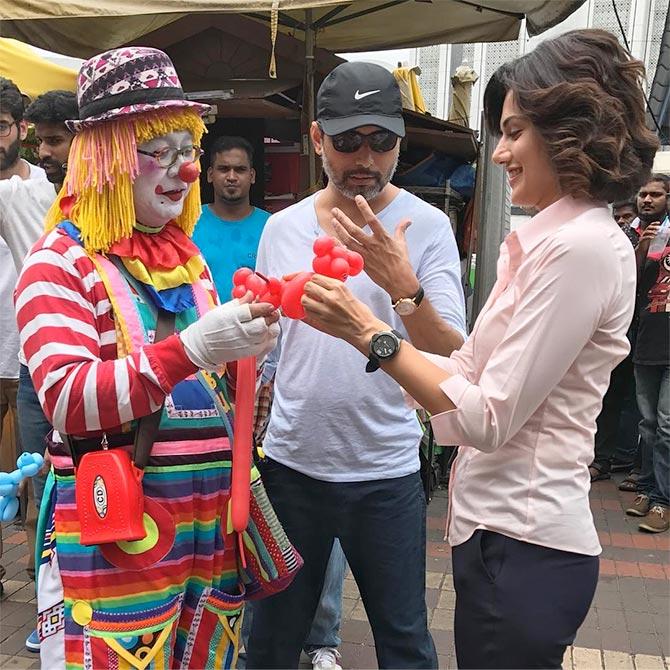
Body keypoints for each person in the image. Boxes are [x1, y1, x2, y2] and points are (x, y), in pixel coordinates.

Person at [299, 30, 658, 669]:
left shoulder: (579, 250)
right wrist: (399, 302)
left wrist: (369, 333)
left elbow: (487, 416)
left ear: (569, 133)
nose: (499, 154)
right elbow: (466, 366)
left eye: (515, 132)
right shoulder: (550, 244)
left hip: (524, 541)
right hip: (497, 535)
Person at [14, 46, 294, 669]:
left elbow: (212, 385)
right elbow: (66, 398)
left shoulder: (188, 259)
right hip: (116, 533)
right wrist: (191, 348)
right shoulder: (57, 264)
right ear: (106, 157)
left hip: (209, 534)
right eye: (158, 151)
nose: (185, 170)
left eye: (187, 150)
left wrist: (245, 356)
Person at [247, 61, 467, 670]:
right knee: (269, 643)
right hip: (292, 467)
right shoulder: (281, 228)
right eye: (346, 141)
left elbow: (451, 355)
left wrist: (401, 284)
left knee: (405, 645)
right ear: (318, 138)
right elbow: (270, 350)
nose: (363, 157)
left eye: (381, 141)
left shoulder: (427, 226)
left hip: (386, 473)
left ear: (400, 141)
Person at [0, 88, 78, 651]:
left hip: (85, 364)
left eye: (57, 140)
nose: (47, 151)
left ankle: (85, 598)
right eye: (41, 140)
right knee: (40, 485)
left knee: (87, 482)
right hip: (34, 366)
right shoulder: (15, 190)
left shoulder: (108, 197)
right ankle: (48, 606)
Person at [0, 77, 51, 610]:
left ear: (21, 129)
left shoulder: (43, 189)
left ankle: (50, 602)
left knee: (37, 485)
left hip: (32, 358)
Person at [625, 174, 670, 532]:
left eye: (656, 194)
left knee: (667, 425)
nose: (647, 200)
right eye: (643, 194)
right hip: (646, 340)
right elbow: (625, 287)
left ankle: (661, 501)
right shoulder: (633, 236)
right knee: (649, 424)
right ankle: (650, 487)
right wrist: (641, 251)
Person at [193, 136, 271, 299]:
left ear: (252, 176)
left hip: (256, 322)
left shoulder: (271, 227)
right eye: (223, 169)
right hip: (201, 322)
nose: (231, 177)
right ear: (210, 175)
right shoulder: (189, 224)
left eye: (240, 170)